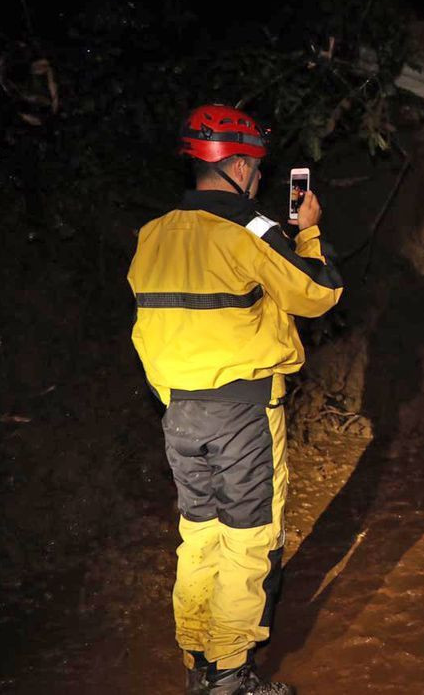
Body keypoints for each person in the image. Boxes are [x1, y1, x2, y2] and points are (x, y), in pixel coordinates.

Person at [128, 104, 344, 695]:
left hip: (178, 411)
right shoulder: (249, 230)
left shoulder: (154, 233)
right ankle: (229, 675)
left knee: (200, 531)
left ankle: (198, 657)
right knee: (250, 538)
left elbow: (149, 328)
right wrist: (308, 230)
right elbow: (319, 292)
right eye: (256, 168)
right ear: (242, 165)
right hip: (242, 412)